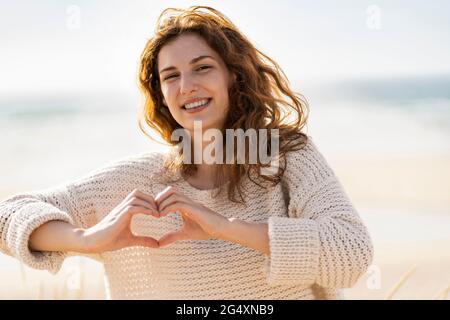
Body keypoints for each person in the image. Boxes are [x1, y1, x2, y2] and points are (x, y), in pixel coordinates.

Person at [0, 6, 373, 299]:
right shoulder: (139, 182)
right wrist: (86, 239)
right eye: (171, 76)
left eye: (203, 68)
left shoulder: (285, 158)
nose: (187, 86)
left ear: (234, 76)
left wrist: (224, 229)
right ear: (161, 93)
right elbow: (7, 218)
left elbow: (352, 253)